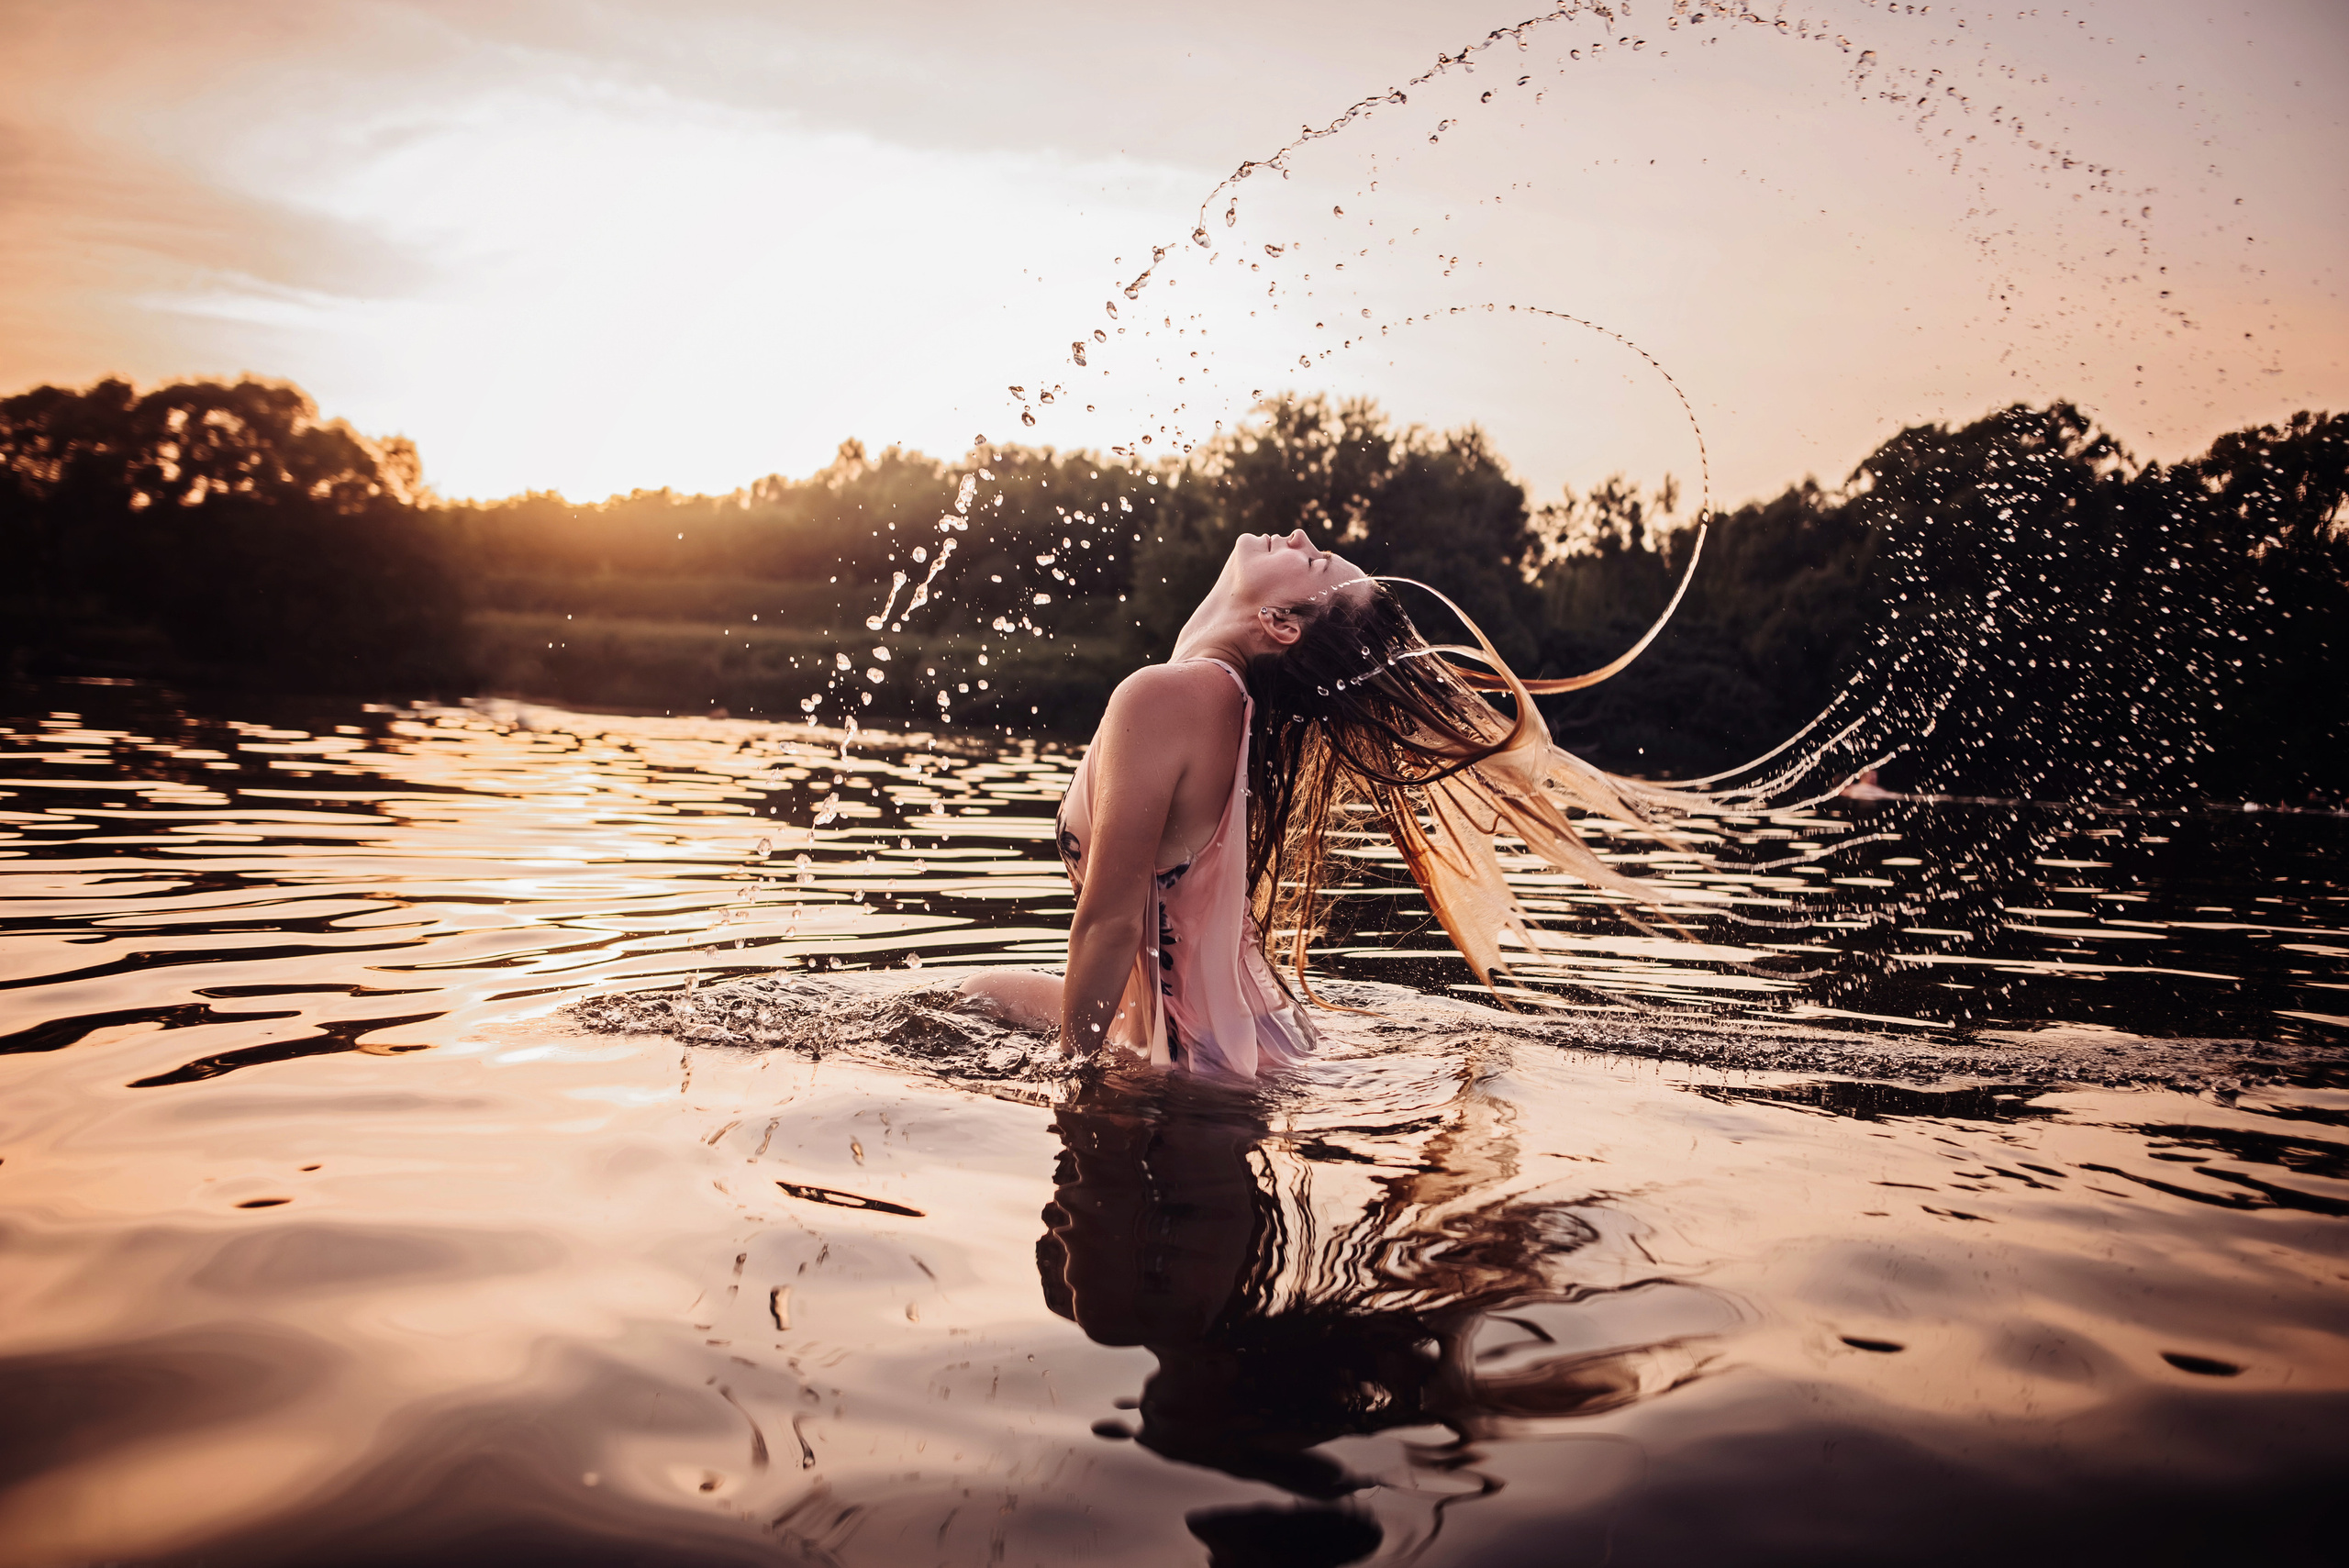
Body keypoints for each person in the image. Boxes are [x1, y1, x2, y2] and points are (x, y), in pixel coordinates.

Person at [959, 527, 1707, 1074]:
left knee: (968, 999)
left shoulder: (1168, 695)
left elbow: (1112, 919)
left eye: (1311, 562)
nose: (1301, 535)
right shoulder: (1221, 703)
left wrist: (1073, 1090)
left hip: (1196, 1071)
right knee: (978, 994)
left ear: (1281, 623)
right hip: (1221, 1042)